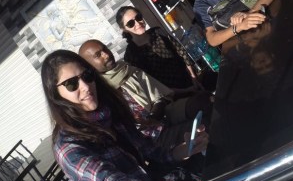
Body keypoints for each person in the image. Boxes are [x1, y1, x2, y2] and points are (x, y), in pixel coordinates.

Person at [41, 50, 211, 181]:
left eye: (87, 76)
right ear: (56, 94)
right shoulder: (68, 146)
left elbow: (150, 150)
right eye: (71, 84)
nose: (85, 86)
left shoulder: (109, 113)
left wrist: (184, 149)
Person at [79, 40, 212, 136]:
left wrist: (153, 117)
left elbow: (160, 97)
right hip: (146, 135)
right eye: (98, 55)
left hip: (164, 114)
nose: (106, 55)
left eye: (105, 49)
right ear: (88, 65)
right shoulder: (100, 91)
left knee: (204, 100)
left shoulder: (128, 69)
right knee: (194, 128)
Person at [116, 5, 199, 90]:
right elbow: (149, 84)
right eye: (130, 23)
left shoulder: (158, 32)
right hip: (171, 94)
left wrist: (193, 77)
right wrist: (184, 91)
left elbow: (181, 51)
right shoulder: (131, 55)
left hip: (190, 80)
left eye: (138, 17)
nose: (137, 23)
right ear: (124, 29)